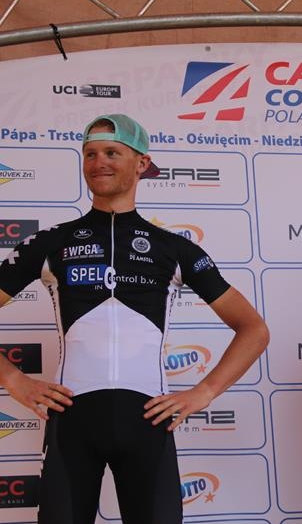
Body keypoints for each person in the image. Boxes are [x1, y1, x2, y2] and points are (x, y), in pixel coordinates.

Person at [0, 114, 269, 524]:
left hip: (148, 422)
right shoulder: (50, 242)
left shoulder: (173, 249)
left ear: (142, 163)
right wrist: (14, 380)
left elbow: (254, 329)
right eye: (90, 154)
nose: (98, 162)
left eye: (112, 152)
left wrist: (205, 392)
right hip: (72, 424)